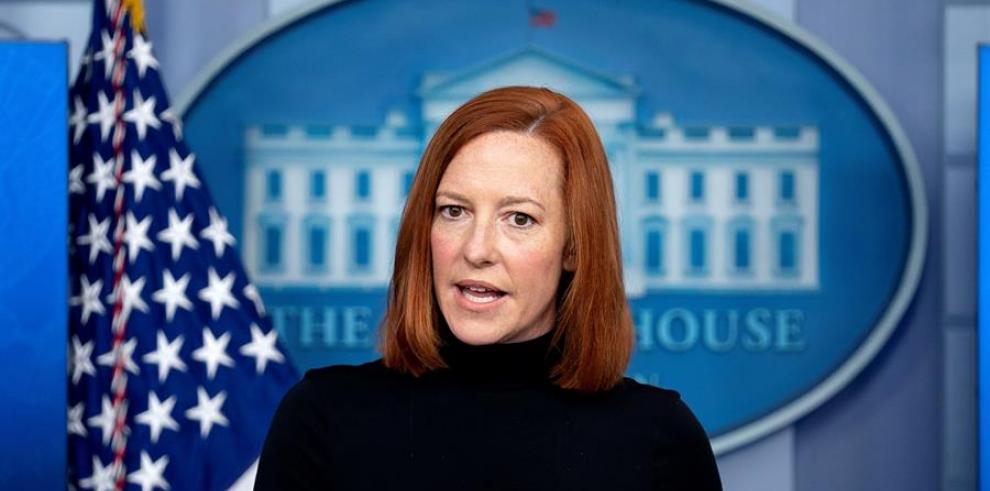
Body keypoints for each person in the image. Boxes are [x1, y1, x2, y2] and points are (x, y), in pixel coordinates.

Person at [254, 86, 722, 490]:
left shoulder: (660, 440)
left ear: (574, 247)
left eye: (519, 219)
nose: (477, 249)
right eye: (454, 211)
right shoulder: (322, 418)